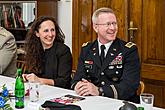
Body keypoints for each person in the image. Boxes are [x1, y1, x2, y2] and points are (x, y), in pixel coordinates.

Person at [71, 7, 140, 103]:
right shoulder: (87, 49)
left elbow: (129, 86)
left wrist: (100, 91)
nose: (113, 28)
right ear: (96, 27)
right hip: (92, 102)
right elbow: (77, 78)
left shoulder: (128, 50)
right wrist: (78, 85)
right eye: (108, 24)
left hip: (120, 103)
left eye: (114, 23)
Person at [23, 16, 72, 89]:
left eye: (52, 30)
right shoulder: (33, 50)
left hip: (59, 92)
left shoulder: (64, 50)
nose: (50, 34)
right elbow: (31, 72)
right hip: (39, 90)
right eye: (46, 31)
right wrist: (26, 76)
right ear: (37, 34)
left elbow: (63, 82)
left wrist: (39, 80)